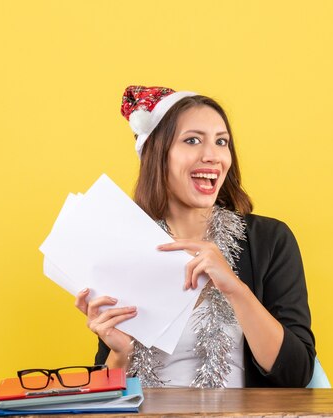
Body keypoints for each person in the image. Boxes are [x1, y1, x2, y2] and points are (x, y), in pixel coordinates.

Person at [74, 86, 315, 388]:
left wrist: (234, 288)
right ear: (157, 155)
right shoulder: (126, 244)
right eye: (192, 140)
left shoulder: (269, 239)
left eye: (221, 142)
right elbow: (103, 395)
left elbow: (296, 375)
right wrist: (120, 354)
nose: (212, 155)